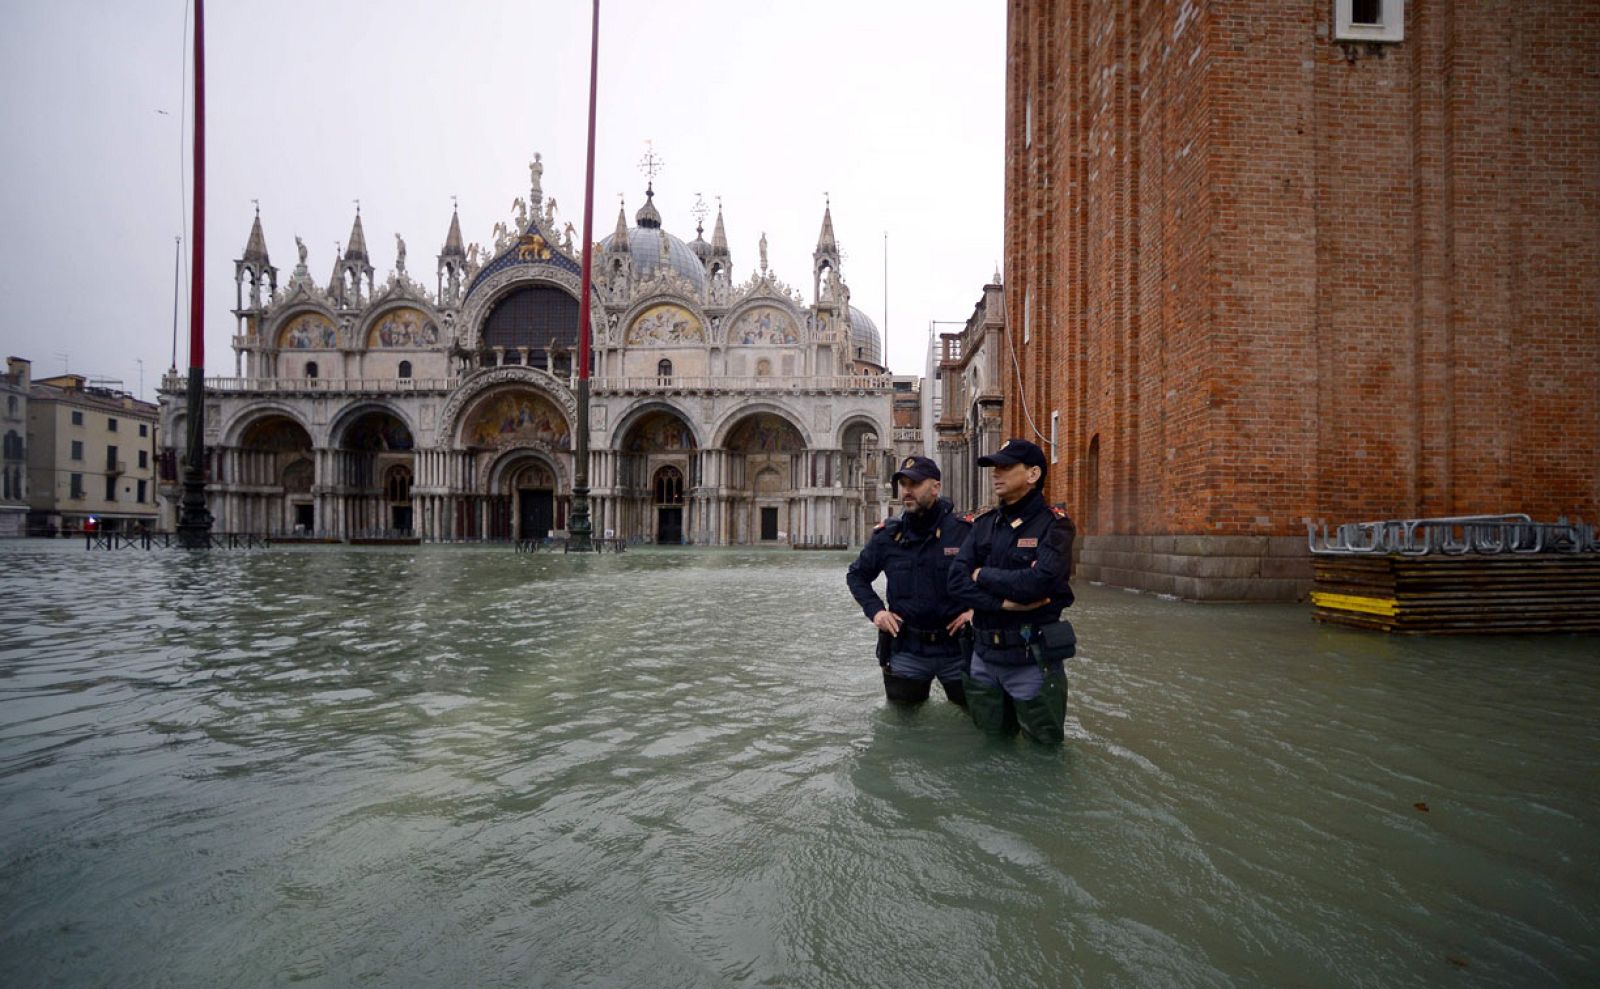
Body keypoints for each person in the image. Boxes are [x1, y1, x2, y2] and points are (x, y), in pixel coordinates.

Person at [947, 438, 1077, 743]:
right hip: (983, 659)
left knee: (1043, 755)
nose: (996, 473)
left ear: (1032, 474)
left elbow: (1037, 584)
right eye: (994, 467)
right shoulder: (983, 525)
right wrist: (1002, 604)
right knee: (990, 748)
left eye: (1005, 467)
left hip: (1030, 661)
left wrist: (981, 574)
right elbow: (955, 581)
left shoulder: (1055, 526)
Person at [846, 456, 974, 706]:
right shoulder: (887, 536)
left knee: (974, 721)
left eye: (914, 483)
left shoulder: (964, 532)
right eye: (903, 483)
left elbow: (989, 573)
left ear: (935, 487)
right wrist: (877, 613)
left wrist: (975, 611)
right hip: (907, 649)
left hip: (958, 649)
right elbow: (856, 576)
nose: (907, 490)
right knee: (902, 727)